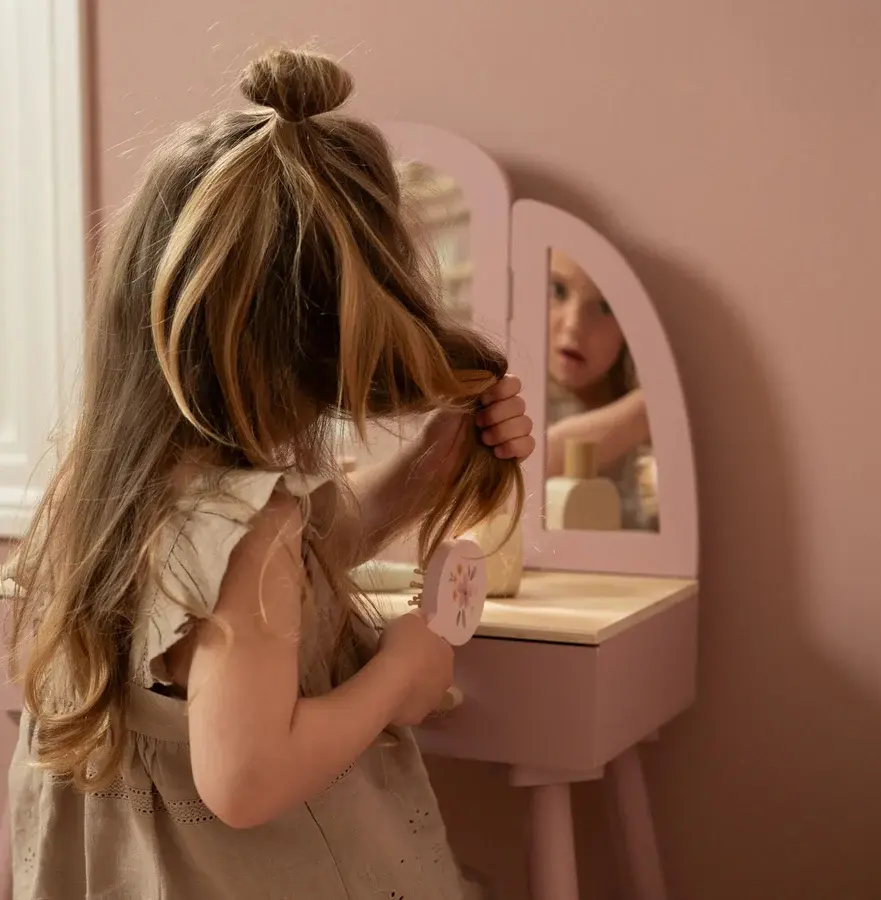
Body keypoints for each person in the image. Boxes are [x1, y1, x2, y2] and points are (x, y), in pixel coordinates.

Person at [3, 48, 535, 899]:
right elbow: (247, 779)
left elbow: (271, 595)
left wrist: (428, 467)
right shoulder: (253, 529)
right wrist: (399, 674)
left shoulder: (103, 489)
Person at [545, 249, 658, 530]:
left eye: (606, 306)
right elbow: (526, 466)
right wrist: (653, 408)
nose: (573, 325)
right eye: (557, 290)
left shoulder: (646, 438)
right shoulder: (509, 396)